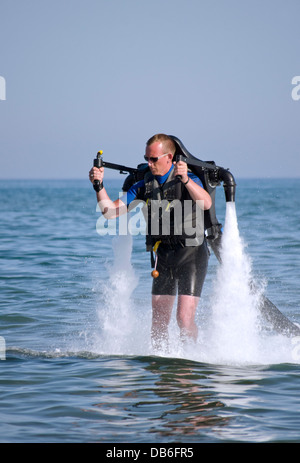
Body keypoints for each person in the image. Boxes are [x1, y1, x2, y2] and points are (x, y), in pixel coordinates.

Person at [89, 134, 212, 350]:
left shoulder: (188, 177)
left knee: (183, 319)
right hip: (162, 255)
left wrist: (185, 180)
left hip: (192, 253)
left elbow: (206, 203)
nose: (149, 163)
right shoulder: (144, 185)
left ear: (169, 157)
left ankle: (192, 358)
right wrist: (99, 186)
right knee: (158, 322)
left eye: (153, 159)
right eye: (147, 158)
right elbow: (110, 213)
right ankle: (160, 366)